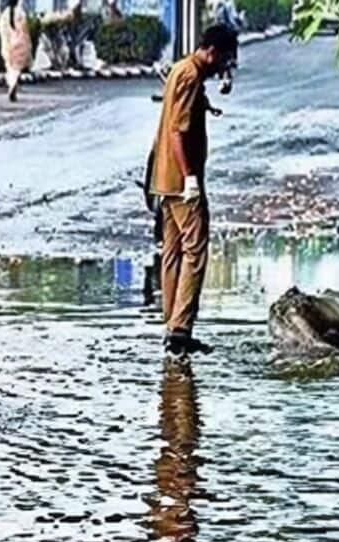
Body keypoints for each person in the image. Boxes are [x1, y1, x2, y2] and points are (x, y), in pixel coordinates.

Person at [148, 23, 237, 355]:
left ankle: (172, 325)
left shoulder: (183, 70)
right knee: (195, 251)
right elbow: (176, 131)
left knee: (172, 253)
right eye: (225, 58)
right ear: (212, 51)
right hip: (179, 179)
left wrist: (204, 104)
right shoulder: (189, 75)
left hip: (164, 179)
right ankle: (181, 328)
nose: (224, 66)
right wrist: (190, 179)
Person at [0, 0, 30, 102]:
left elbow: (2, 31)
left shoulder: (4, 14)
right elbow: (24, 30)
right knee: (16, 68)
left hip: (8, 44)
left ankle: (11, 84)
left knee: (9, 67)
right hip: (19, 43)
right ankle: (13, 83)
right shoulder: (20, 13)